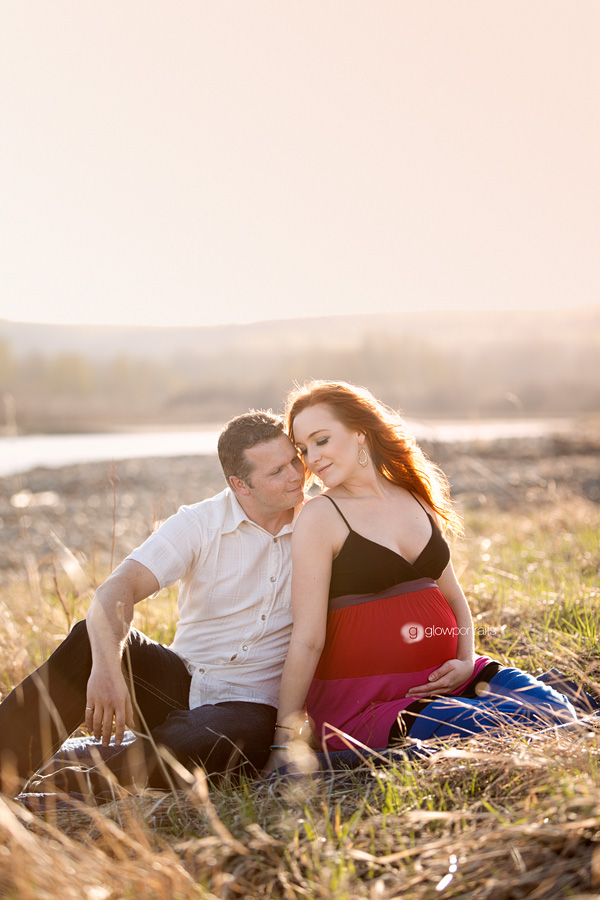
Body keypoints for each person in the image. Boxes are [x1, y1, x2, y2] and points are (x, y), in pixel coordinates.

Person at [265, 380, 587, 773]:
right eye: (303, 449)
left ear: (360, 432)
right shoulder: (321, 516)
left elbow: (455, 600)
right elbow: (308, 638)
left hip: (452, 675)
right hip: (372, 703)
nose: (311, 459)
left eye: (321, 440)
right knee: (515, 725)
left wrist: (465, 660)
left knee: (559, 712)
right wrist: (285, 735)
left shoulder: (415, 498)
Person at [0, 411, 305, 799]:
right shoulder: (200, 522)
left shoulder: (317, 524)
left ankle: (72, 786)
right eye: (278, 471)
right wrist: (108, 668)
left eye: (295, 460)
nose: (296, 475)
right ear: (240, 485)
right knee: (90, 640)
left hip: (250, 707)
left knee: (219, 735)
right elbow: (117, 589)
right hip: (180, 682)